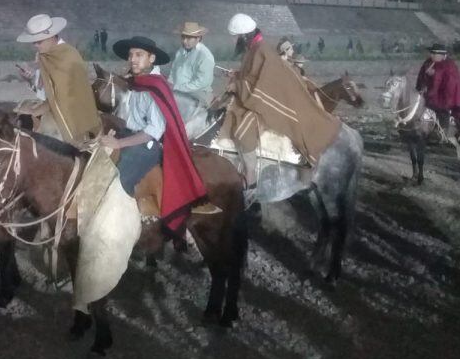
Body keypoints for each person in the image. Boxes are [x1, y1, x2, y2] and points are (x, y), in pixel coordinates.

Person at [101, 36, 216, 234]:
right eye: (131, 55)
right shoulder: (139, 83)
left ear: (151, 58)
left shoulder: (155, 86)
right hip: (129, 134)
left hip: (146, 146)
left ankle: (123, 228)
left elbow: (154, 131)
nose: (133, 59)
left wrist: (119, 144)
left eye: (139, 55)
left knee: (118, 182)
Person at [219, 14, 340, 189]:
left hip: (262, 103)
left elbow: (262, 88)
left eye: (236, 36)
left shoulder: (262, 51)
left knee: (242, 133)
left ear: (245, 35)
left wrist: (237, 87)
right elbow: (251, 77)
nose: (234, 40)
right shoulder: (254, 48)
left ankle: (251, 179)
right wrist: (236, 75)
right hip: (252, 97)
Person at [16, 14, 101, 144]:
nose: (36, 45)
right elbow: (48, 88)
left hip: (73, 113)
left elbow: (63, 96)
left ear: (51, 36)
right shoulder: (47, 55)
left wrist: (34, 111)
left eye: (39, 41)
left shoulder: (68, 56)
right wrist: (31, 78)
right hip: (51, 105)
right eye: (34, 42)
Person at [415, 43, 460, 130]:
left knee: (442, 109)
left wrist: (435, 74)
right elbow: (421, 77)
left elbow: (451, 83)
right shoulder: (428, 63)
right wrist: (422, 86)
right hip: (428, 92)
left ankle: (443, 131)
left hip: (443, 95)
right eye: (431, 53)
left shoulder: (449, 65)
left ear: (442, 55)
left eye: (434, 54)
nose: (431, 55)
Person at [168, 21, 215, 120]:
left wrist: (176, 87)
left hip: (199, 93)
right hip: (178, 91)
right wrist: (169, 85)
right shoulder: (181, 51)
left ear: (198, 38)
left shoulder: (205, 56)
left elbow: (201, 83)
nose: (185, 41)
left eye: (189, 38)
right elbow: (173, 71)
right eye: (183, 37)